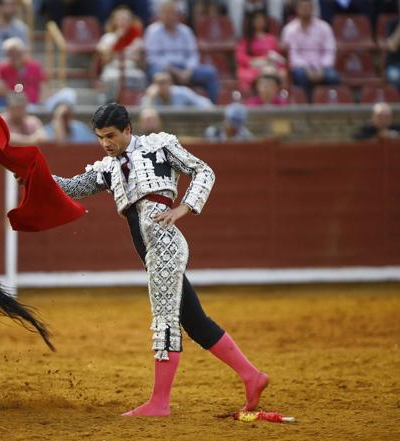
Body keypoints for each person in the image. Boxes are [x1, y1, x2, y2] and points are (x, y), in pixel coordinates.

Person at [43, 102, 268, 417]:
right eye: (99, 137)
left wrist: (182, 209)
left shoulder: (159, 147)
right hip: (151, 251)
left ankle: (160, 403)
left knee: (165, 320)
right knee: (194, 320)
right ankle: (251, 376)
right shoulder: (108, 167)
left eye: (110, 136)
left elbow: (204, 171)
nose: (105, 143)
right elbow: (71, 188)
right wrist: (35, 175)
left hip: (164, 245)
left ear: (128, 130)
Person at [143, 1, 219, 103]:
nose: (168, 16)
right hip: (165, 69)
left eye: (171, 12)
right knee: (159, 73)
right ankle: (162, 111)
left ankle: (211, 109)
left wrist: (188, 70)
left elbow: (193, 55)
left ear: (177, 14)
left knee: (210, 73)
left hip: (185, 69)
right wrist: (174, 71)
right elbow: (152, 58)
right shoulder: (153, 31)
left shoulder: (186, 31)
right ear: (160, 14)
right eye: (165, 13)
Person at [281, 0, 339, 97]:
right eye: (302, 7)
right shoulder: (289, 30)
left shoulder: (324, 27)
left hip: (322, 67)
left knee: (333, 77)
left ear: (312, 8)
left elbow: (330, 51)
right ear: (297, 9)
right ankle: (306, 104)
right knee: (300, 76)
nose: (305, 9)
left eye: (307, 7)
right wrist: (307, 69)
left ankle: (329, 104)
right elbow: (292, 55)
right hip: (300, 68)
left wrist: (321, 68)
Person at [97, 6, 147, 101]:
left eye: (126, 19)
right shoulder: (107, 37)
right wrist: (117, 41)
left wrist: (139, 58)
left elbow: (142, 64)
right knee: (112, 79)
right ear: (114, 21)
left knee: (141, 77)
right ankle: (109, 106)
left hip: (131, 69)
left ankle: (137, 105)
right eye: (120, 19)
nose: (123, 22)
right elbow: (105, 60)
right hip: (113, 69)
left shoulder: (137, 40)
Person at [235, 8, 287, 93]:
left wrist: (274, 63)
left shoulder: (272, 39)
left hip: (271, 66)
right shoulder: (246, 40)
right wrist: (256, 61)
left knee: (282, 73)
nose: (260, 21)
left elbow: (278, 58)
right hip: (253, 67)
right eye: (257, 19)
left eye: (262, 19)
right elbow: (240, 57)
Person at [0, 37, 46, 105]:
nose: (14, 56)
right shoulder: (3, 68)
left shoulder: (35, 66)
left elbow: (43, 87)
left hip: (34, 104)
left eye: (17, 53)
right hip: (12, 105)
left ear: (23, 52)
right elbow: (1, 89)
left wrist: (41, 104)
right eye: (11, 54)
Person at [141, 71, 213, 108]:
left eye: (165, 82)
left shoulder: (182, 92)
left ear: (171, 83)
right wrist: (150, 97)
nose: (162, 86)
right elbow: (140, 115)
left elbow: (205, 104)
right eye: (159, 83)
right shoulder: (152, 95)